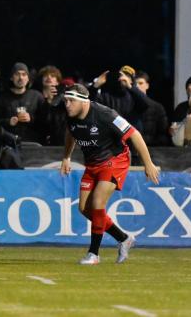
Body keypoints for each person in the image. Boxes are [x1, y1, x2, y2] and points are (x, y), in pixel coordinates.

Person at [60, 84, 159, 265]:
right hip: (92, 163)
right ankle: (124, 238)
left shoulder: (106, 114)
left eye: (71, 100)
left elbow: (134, 134)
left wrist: (148, 163)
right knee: (84, 209)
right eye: (65, 100)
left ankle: (93, 254)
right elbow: (70, 134)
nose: (67, 104)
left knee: (98, 203)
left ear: (84, 101)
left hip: (115, 160)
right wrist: (66, 157)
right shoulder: (70, 116)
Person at [0, 62, 46, 145]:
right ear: (11, 77)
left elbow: (45, 122)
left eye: (24, 74)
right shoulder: (1, 97)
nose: (21, 78)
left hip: (33, 144)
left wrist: (31, 118)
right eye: (17, 74)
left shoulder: (37, 96)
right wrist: (8, 122)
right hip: (8, 143)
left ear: (28, 78)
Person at [134, 71, 170, 146]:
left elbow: (163, 135)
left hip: (152, 150)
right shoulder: (127, 106)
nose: (137, 86)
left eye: (140, 83)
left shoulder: (157, 108)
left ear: (147, 85)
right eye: (135, 84)